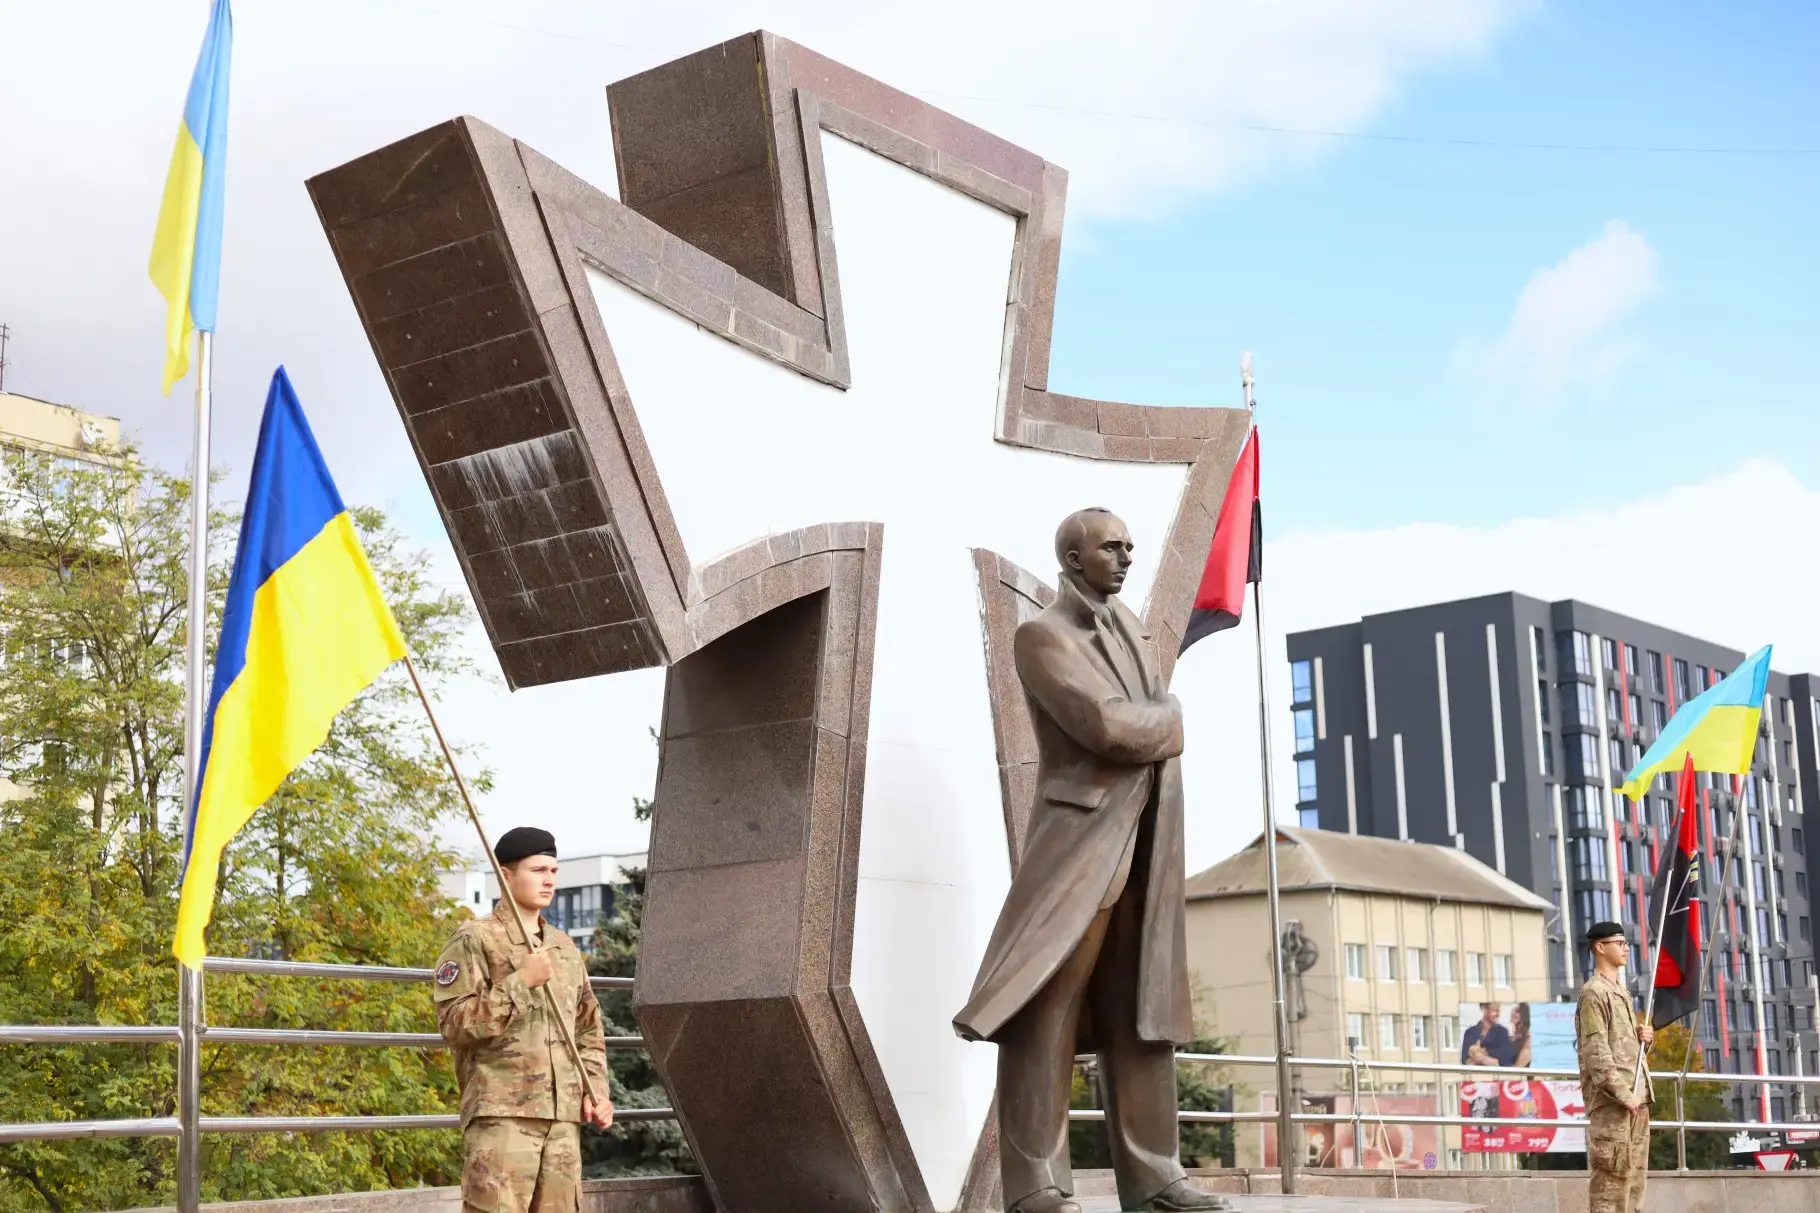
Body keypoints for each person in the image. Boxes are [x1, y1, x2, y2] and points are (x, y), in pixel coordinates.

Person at [954, 509, 1227, 1213]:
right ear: (1074, 558)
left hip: (1148, 842)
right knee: (1046, 1006)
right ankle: (1037, 1186)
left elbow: (1132, 721)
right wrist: (1172, 718)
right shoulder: (1042, 635)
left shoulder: (1132, 626)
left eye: (1130, 547)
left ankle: (1155, 1178)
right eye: (1112, 547)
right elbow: (1105, 725)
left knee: (1142, 1014)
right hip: (1080, 844)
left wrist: (1155, 721)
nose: (1127, 557)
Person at [434, 827, 613, 1212]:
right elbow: (453, 1024)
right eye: (538, 870)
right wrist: (521, 982)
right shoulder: (474, 939)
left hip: (562, 1123)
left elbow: (588, 1030)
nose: (549, 880)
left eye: (553, 870)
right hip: (502, 1117)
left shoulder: (563, 947)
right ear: (506, 875)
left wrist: (595, 1090)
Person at [1576, 922, 1653, 1213]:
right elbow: (1596, 1053)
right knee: (1611, 1184)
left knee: (1634, 1183)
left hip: (1636, 1098)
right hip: (1613, 1103)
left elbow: (1623, 1049)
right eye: (1619, 943)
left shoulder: (1621, 991)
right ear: (1600, 947)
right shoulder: (1593, 993)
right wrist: (1623, 1095)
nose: (1625, 949)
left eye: (1625, 943)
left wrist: (1644, 1038)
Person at [1460, 1002, 1511, 1067]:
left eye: (1499, 1010)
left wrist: (1481, 1058)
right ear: (1484, 1009)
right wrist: (1488, 1059)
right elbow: (1465, 1062)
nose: (1498, 1014)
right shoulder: (1470, 1032)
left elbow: (1504, 1062)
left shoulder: (1503, 1032)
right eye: (1494, 1010)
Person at [1506, 1002, 1533, 1068]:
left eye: (1517, 1011)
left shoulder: (1527, 1040)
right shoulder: (1510, 1037)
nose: (1513, 1013)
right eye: (1513, 1010)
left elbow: (1518, 1067)